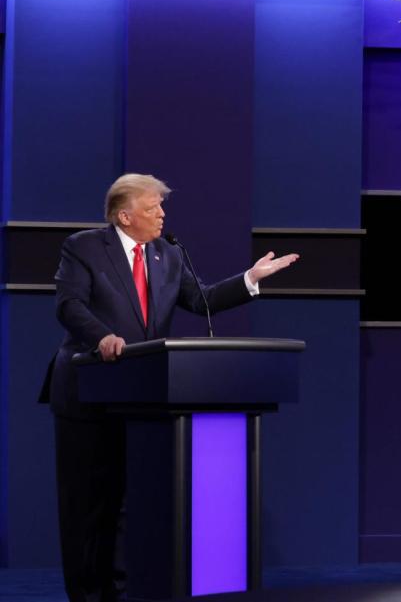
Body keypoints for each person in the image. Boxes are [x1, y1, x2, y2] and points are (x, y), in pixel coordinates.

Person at [37, 174, 299, 602]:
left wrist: (250, 278)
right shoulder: (84, 247)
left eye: (162, 206)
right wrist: (101, 336)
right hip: (88, 393)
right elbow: (70, 305)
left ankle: (123, 593)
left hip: (144, 397)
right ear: (124, 215)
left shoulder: (167, 255)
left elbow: (202, 300)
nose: (162, 215)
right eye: (152, 207)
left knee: (129, 506)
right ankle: (87, 596)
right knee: (89, 508)